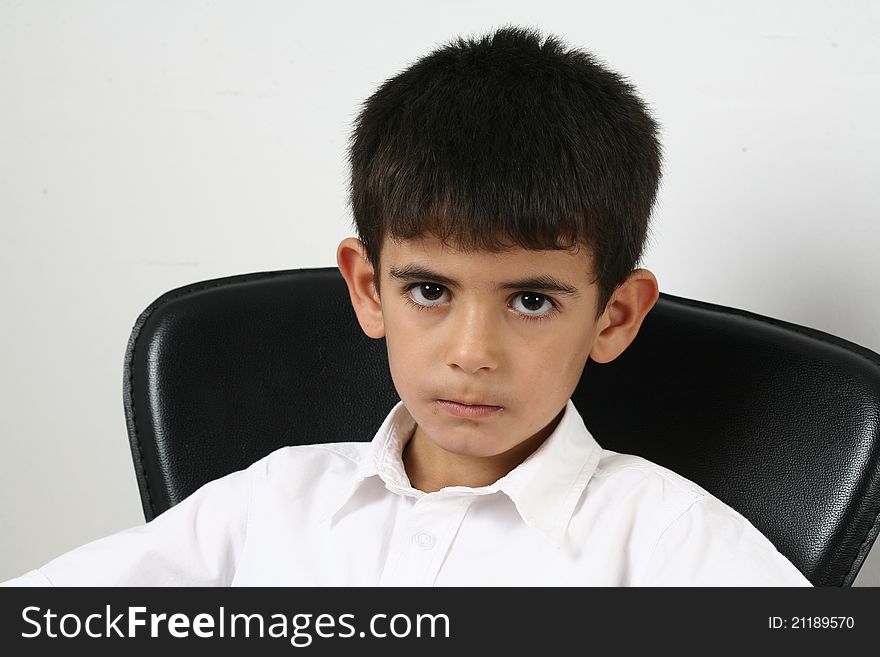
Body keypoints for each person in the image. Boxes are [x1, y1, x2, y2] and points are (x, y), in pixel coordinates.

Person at [1, 25, 810, 586]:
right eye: (430, 290)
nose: (471, 351)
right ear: (366, 287)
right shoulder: (271, 505)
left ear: (614, 316)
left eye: (530, 299)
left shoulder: (667, 542)